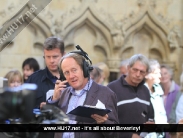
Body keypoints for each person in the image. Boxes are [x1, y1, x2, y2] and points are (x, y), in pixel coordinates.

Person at [49, 52, 119, 138]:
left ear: (84, 69)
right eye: (66, 72)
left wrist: (104, 123)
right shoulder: (62, 93)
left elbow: (115, 134)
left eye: (74, 70)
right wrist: (54, 100)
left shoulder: (105, 94)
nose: (71, 76)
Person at [107, 54, 154, 138]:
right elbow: (105, 121)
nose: (138, 74)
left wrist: (151, 124)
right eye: (135, 70)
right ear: (128, 68)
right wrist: (129, 135)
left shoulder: (145, 91)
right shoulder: (112, 88)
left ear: (146, 73)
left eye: (142, 72)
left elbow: (150, 116)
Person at [26, 36, 65, 109]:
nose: (51, 61)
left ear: (63, 55)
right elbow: (23, 107)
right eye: (48, 57)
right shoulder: (34, 79)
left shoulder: (71, 79)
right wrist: (39, 108)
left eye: (55, 56)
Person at [144, 59, 167, 138]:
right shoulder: (141, 92)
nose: (160, 76)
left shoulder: (158, 90)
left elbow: (161, 113)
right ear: (147, 74)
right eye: (156, 73)